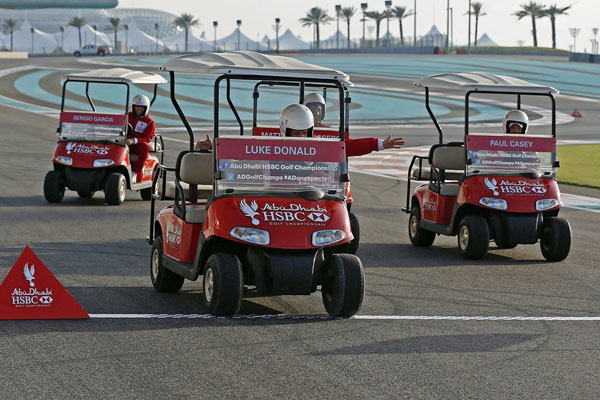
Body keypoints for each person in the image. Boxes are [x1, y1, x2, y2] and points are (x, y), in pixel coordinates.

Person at [194, 103, 406, 156]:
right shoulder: (268, 146)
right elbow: (239, 150)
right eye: (297, 133)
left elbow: (347, 147)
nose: (302, 137)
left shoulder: (317, 146)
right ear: (285, 130)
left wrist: (380, 144)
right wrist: (213, 147)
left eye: (305, 132)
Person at [127, 94, 155, 181]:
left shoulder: (149, 121)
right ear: (133, 107)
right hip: (124, 141)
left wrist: (134, 140)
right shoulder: (127, 116)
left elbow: (147, 138)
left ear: (146, 108)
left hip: (137, 145)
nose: (139, 109)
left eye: (142, 107)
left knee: (145, 146)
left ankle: (134, 173)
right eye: (137, 107)